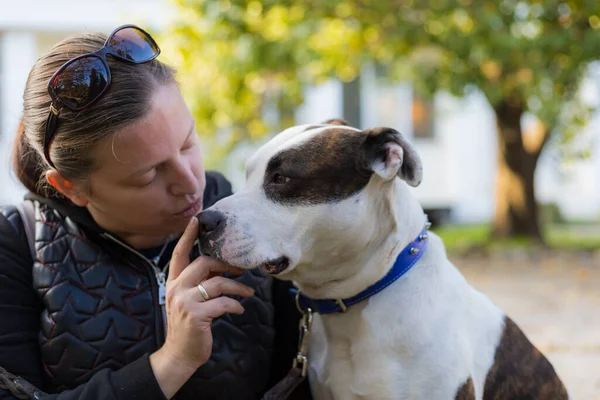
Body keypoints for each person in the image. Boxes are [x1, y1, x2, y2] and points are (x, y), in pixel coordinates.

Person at [0, 24, 311, 400]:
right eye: (148, 175)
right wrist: (173, 361)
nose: (190, 183)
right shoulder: (17, 245)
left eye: (187, 144)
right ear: (71, 186)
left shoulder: (263, 222)